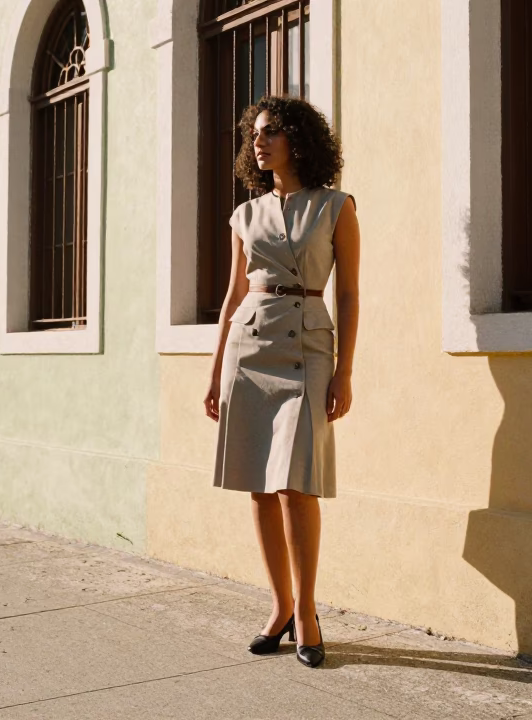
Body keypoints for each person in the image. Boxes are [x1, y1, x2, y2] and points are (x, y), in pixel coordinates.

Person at [203, 95, 360, 669]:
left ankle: (310, 611)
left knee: (298, 484)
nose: (259, 142)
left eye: (271, 132)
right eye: (254, 135)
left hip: (308, 347)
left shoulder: (336, 207)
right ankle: (280, 606)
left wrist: (344, 371)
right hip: (249, 347)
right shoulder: (245, 215)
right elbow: (232, 296)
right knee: (259, 485)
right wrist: (216, 368)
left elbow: (348, 293)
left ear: (299, 139)